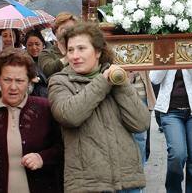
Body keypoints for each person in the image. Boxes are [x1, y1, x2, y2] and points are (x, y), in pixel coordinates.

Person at [49, 22, 150, 192]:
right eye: (71, 50)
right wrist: (103, 82)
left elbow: (141, 123)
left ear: (97, 51)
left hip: (126, 181)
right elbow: (69, 116)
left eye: (81, 48)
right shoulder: (60, 81)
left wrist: (122, 85)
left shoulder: (115, 77)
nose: (74, 55)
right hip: (88, 184)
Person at [0, 49, 64, 193]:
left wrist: (42, 157)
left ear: (30, 81)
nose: (13, 87)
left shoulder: (45, 108)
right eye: (7, 80)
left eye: (20, 81)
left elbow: (63, 147)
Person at [150, 65, 192, 193]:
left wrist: (185, 56)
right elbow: (154, 79)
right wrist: (167, 58)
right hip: (170, 111)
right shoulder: (162, 49)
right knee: (177, 154)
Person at [39, 12, 78, 78]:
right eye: (64, 29)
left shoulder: (82, 49)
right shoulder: (47, 53)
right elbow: (48, 70)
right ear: (55, 31)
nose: (68, 32)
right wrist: (69, 56)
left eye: (72, 28)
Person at [23, 29, 48, 97]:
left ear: (43, 45)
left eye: (37, 44)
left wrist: (39, 79)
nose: (34, 48)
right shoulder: (22, 61)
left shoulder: (50, 58)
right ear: (26, 46)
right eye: (30, 45)